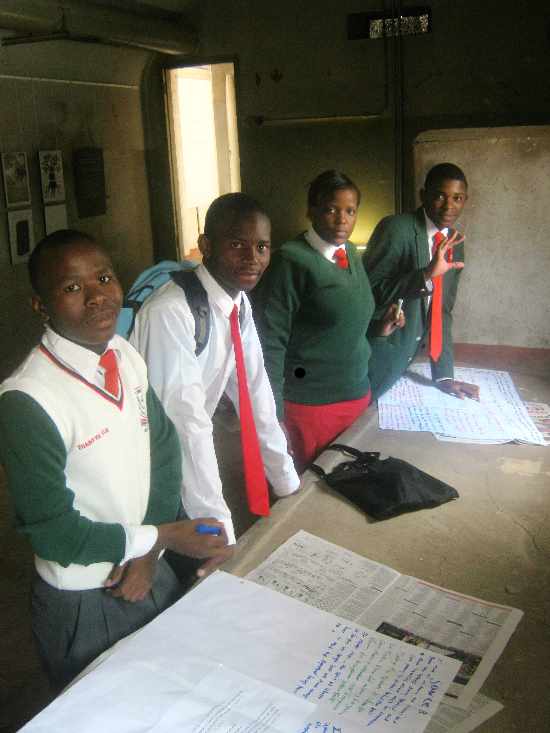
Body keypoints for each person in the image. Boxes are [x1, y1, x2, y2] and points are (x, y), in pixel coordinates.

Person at [0, 230, 230, 688]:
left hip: (147, 569)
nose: (97, 297)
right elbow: (53, 533)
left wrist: (151, 550)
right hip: (86, 598)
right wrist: (162, 537)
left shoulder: (123, 354)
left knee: (172, 696)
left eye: (104, 278)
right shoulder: (27, 401)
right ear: (40, 306)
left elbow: (163, 450)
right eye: (72, 288)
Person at [130, 193, 300, 548]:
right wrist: (219, 531)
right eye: (237, 244)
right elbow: (185, 423)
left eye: (262, 247)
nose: (252, 258)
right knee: (167, 563)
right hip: (146, 466)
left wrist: (287, 484)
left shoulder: (238, 303)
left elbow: (257, 396)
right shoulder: (170, 312)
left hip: (183, 458)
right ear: (206, 245)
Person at [254, 170, 404, 471]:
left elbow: (341, 327)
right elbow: (269, 342)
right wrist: (274, 415)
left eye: (350, 211)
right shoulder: (291, 260)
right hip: (310, 408)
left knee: (351, 488)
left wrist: (379, 329)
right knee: (309, 494)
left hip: (356, 395)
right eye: (331, 209)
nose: (342, 220)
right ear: (311, 211)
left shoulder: (349, 252)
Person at [363, 162, 479, 400]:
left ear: (465, 200)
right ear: (423, 195)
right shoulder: (396, 229)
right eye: (439, 196)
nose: (449, 206)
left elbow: (442, 310)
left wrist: (443, 376)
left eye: (457, 198)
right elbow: (367, 293)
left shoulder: (455, 243)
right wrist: (425, 274)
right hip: (375, 357)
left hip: (407, 363)